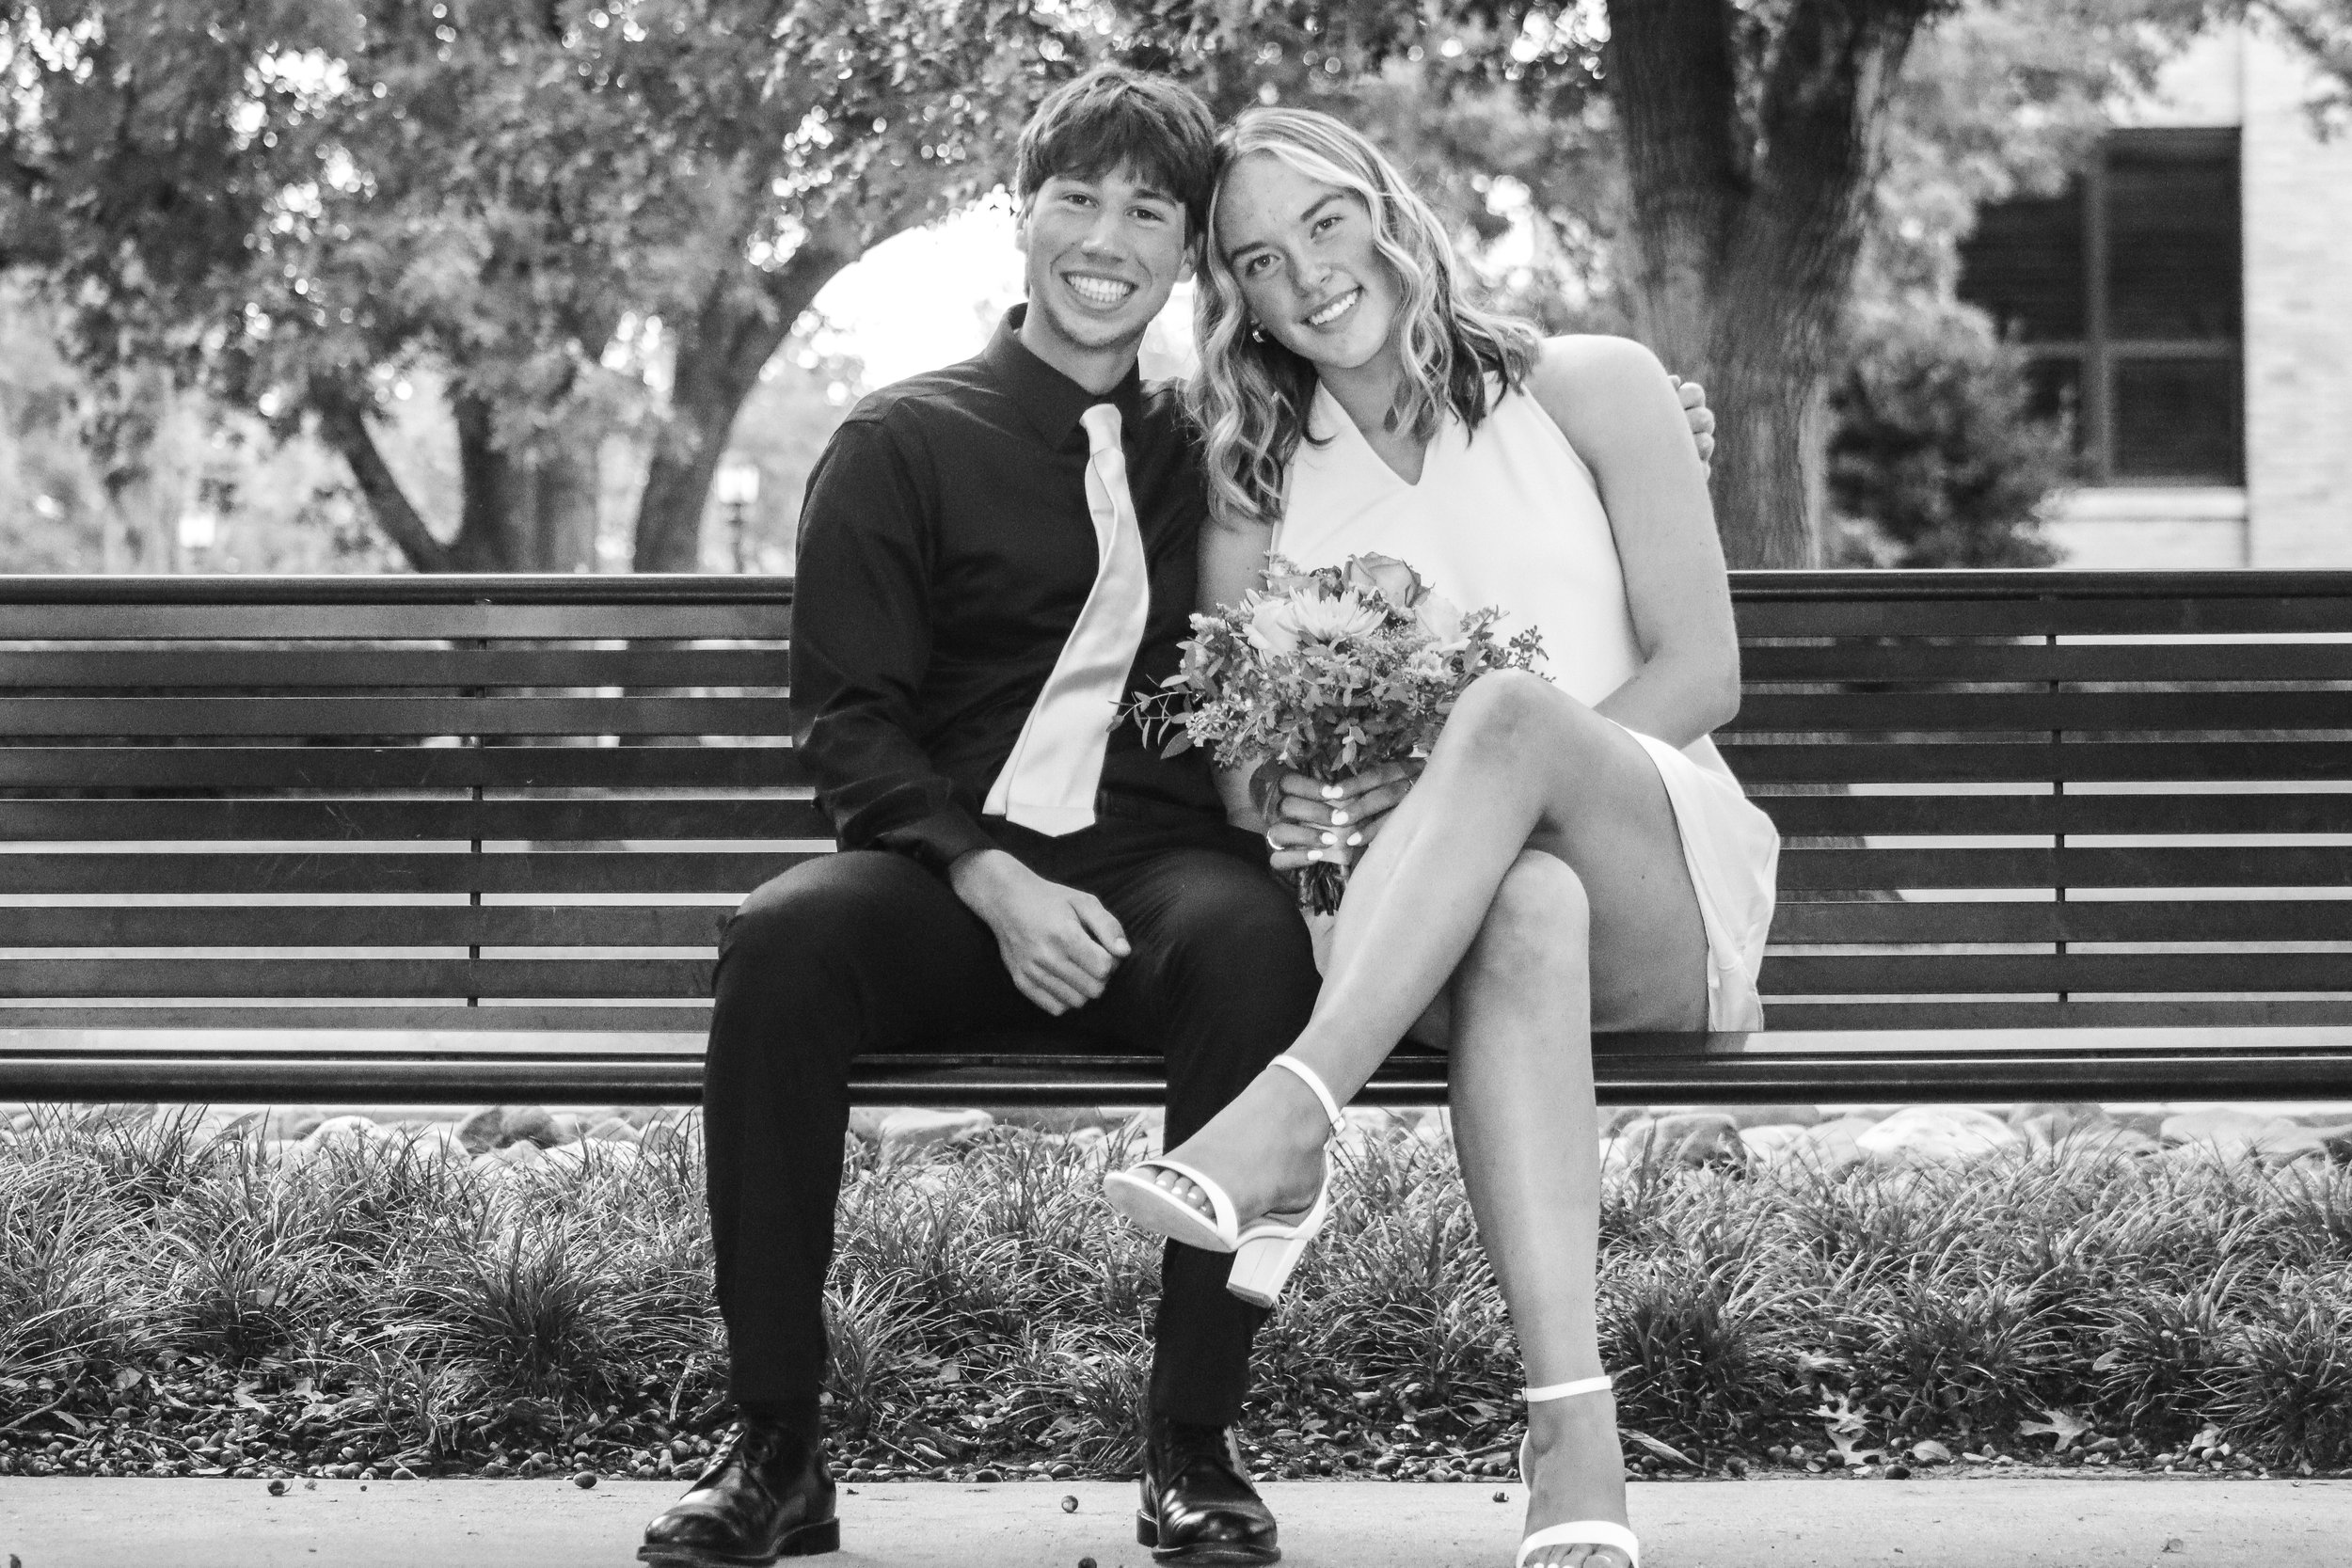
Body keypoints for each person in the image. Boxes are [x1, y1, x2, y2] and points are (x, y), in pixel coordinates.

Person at [641, 69, 1716, 1567]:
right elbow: (851, 721)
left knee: (1245, 937)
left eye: (1151, 209)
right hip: (951, 878)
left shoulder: (1213, 446)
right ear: (1023, 220)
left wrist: (1305, 801)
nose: (1109, 236)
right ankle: (774, 1446)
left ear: (1177, 263)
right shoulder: (906, 441)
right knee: (780, 945)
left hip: (1173, 883)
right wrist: (988, 878)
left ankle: (1194, 1449)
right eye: (1078, 198)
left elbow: (1278, 710)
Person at [1101, 107, 1780, 1568]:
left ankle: (1294, 1118)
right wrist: (1276, 791)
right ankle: (1570, 1437)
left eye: (1326, 223)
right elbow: (1239, 763)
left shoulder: (1592, 386)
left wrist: (1506, 756)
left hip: (1660, 880)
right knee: (1521, 901)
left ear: (1390, 207)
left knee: (1507, 719)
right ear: (1239, 300)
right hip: (1414, 938)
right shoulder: (1264, 470)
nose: (1306, 277)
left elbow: (1702, 672)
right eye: (1259, 261)